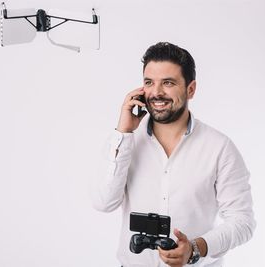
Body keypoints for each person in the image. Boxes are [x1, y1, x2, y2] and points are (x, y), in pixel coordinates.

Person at [91, 42, 256, 267]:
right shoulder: (125, 141)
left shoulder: (220, 148)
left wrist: (196, 248)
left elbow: (242, 221)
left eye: (168, 83)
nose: (156, 92)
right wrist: (123, 132)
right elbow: (103, 202)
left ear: (191, 89)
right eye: (149, 82)